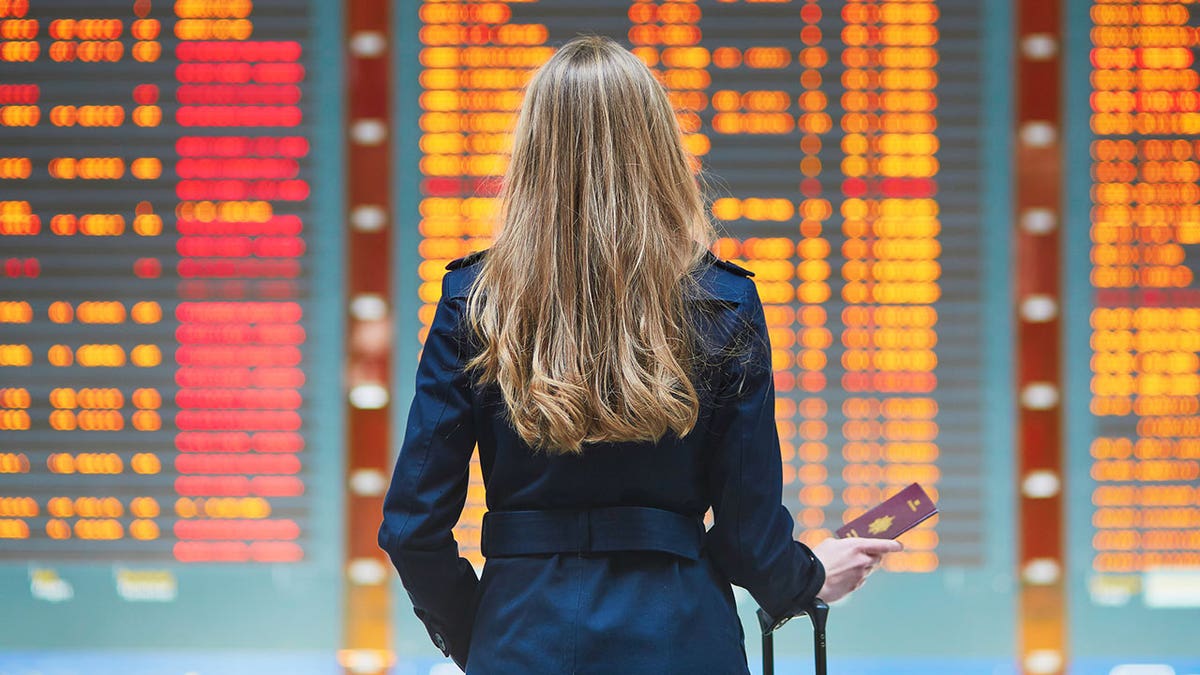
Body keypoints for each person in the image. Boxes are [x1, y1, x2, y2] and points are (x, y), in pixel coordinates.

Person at [378, 34, 901, 674]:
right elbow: (746, 536)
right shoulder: (724, 300)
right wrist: (810, 575)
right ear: (658, 147)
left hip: (520, 635)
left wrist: (481, 636)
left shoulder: (475, 300)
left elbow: (412, 530)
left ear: (531, 151)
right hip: (682, 641)